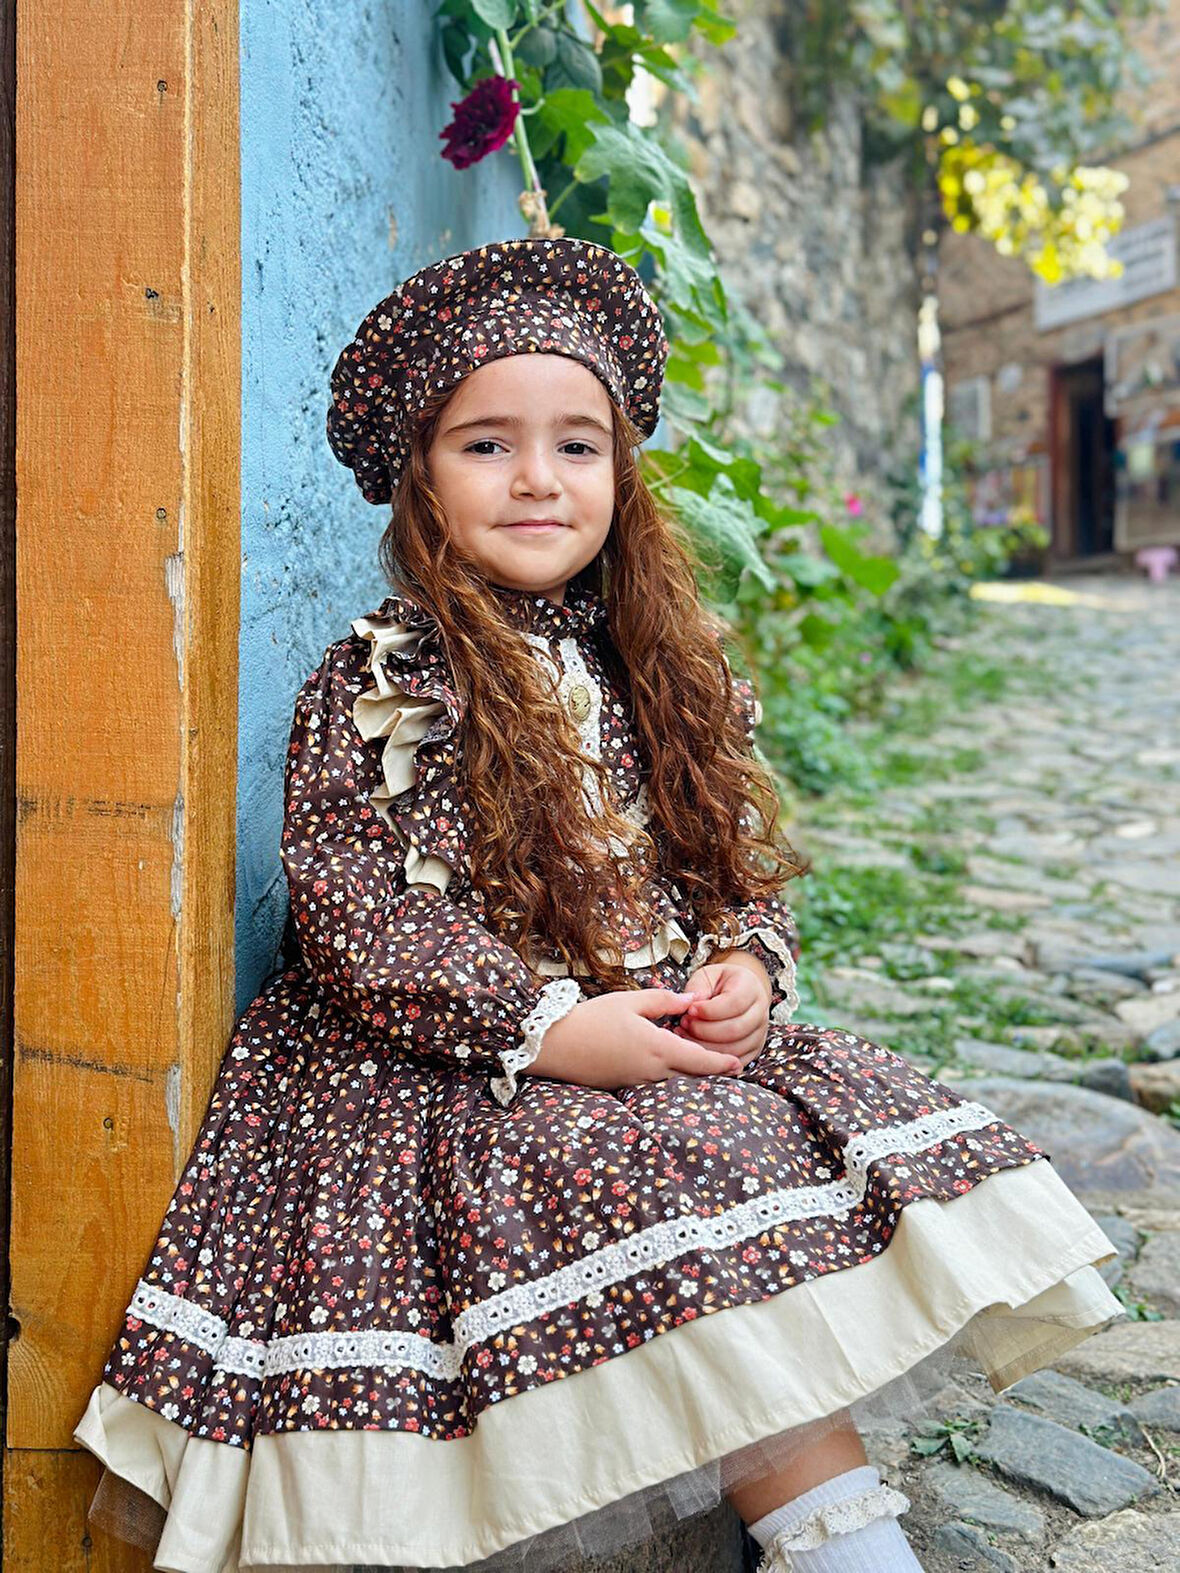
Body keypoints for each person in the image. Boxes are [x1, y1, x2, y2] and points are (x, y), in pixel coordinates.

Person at [73, 236, 1123, 1573]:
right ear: (419, 478)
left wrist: (745, 960)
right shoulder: (383, 680)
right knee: (638, 1167)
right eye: (486, 445)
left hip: (648, 1034)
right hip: (447, 1059)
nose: (536, 479)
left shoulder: (663, 671)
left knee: (752, 1153)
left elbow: (727, 863)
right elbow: (360, 916)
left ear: (624, 475)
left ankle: (846, 1550)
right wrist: (557, 1029)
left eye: (577, 445)